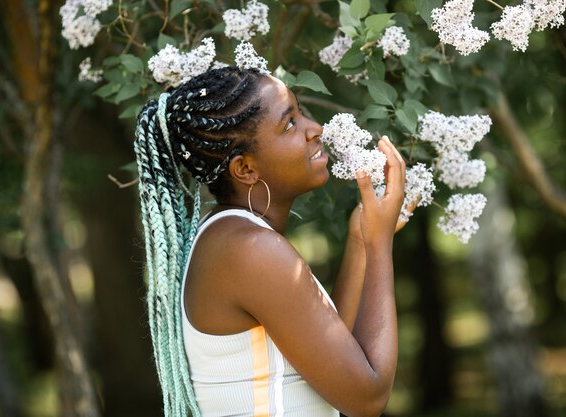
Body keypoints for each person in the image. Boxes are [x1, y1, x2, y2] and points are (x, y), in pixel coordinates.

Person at [133, 66, 413, 417]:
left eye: (301, 113)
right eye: (290, 124)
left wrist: (361, 240)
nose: (316, 129)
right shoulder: (250, 250)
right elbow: (367, 398)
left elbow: (330, 357)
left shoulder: (232, 237)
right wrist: (379, 243)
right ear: (245, 169)